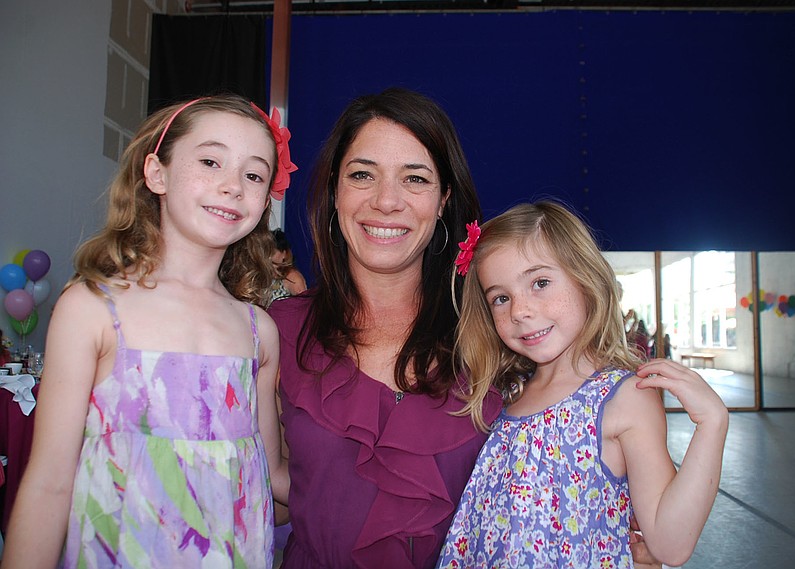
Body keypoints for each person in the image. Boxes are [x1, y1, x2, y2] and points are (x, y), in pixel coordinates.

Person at [1, 94, 296, 568]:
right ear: (157, 173)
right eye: (210, 161)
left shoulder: (258, 330)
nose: (232, 185)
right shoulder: (93, 309)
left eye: (254, 174)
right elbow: (49, 482)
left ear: (265, 200)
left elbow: (270, 471)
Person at [266, 87, 504, 569]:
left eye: (414, 178)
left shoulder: (498, 336)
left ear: (444, 201)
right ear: (335, 191)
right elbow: (267, 500)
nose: (386, 201)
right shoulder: (278, 331)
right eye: (362, 175)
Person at [437, 201, 729, 568]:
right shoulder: (506, 394)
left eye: (540, 283)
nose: (519, 311)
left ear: (585, 278)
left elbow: (670, 545)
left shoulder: (623, 399)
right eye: (501, 298)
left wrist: (712, 424)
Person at [266, 228, 307, 305]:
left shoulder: (293, 277)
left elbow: (303, 307)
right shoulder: (264, 275)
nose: (269, 255)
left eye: (272, 251)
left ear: (284, 253)